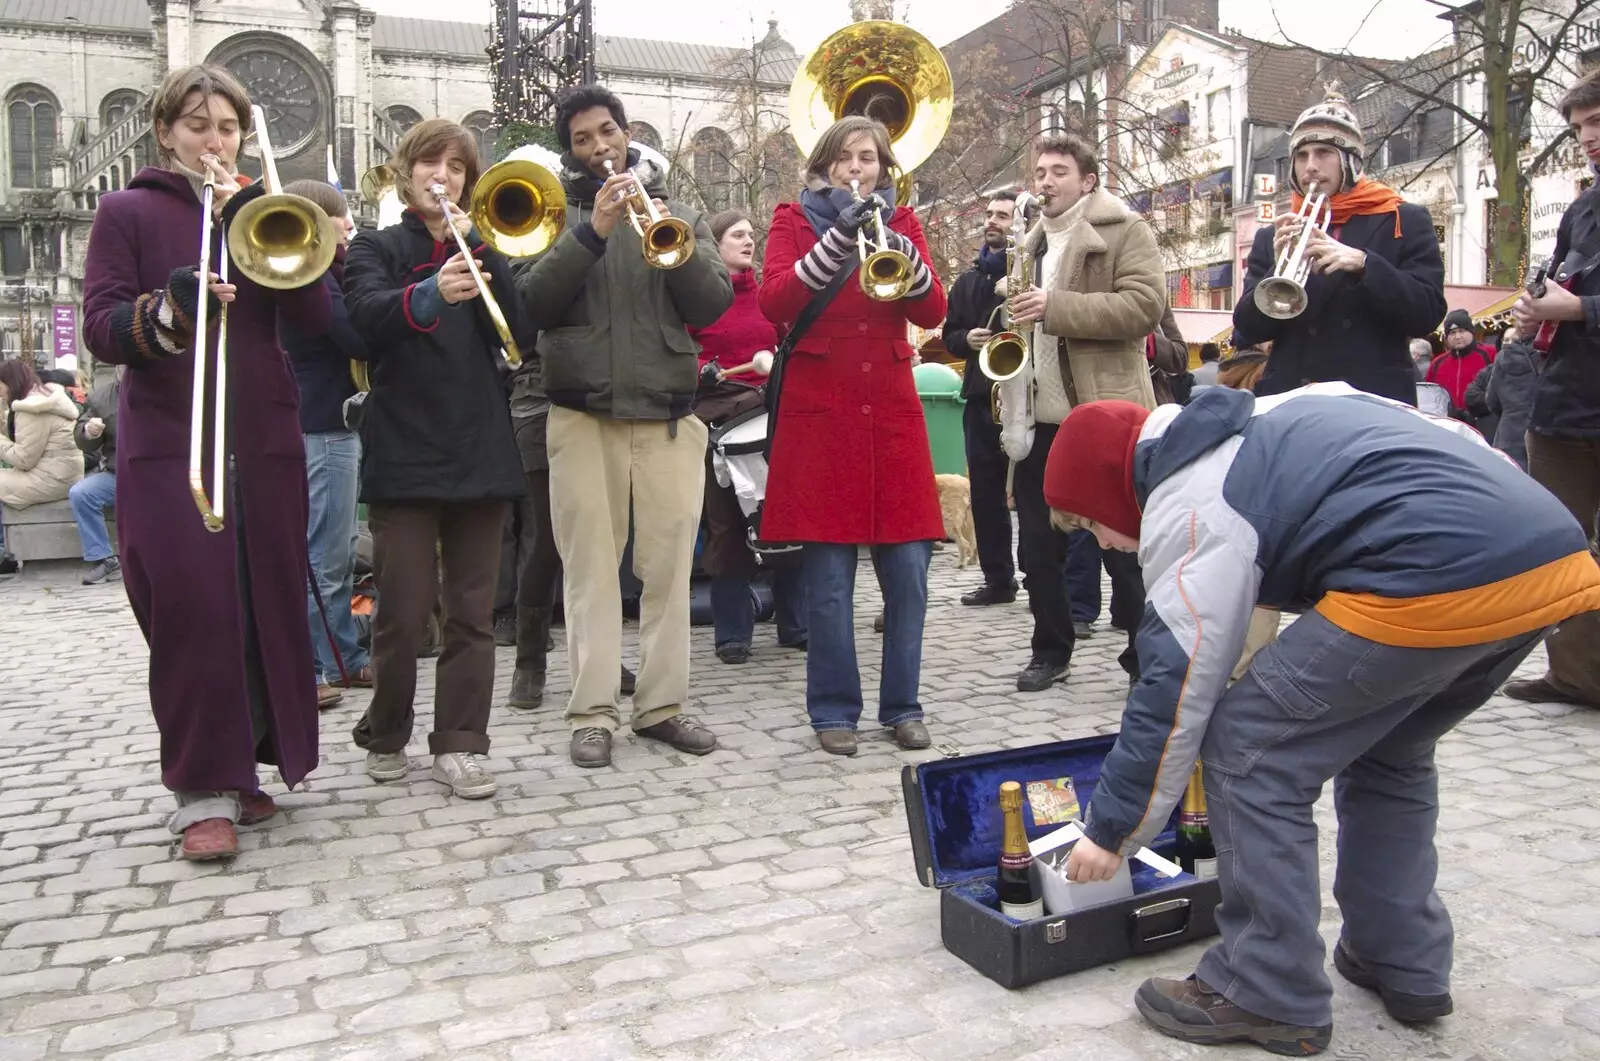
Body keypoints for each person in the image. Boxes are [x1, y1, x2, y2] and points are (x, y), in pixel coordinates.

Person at [1046, 384, 1600, 1056]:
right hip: (1550, 556)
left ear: (1111, 486)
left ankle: (1266, 988)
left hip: (1433, 570)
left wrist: (1112, 830)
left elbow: (1176, 683)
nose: (1105, 542)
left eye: (1088, 522)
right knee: (1391, 749)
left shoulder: (1189, 500)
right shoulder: (1277, 411)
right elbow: (1445, 436)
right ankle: (1400, 958)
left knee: (1247, 750)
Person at [79, 64, 331, 860]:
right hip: (169, 439)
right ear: (166, 132)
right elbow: (100, 324)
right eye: (197, 125)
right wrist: (172, 304)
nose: (213, 140)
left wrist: (281, 227)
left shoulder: (262, 208)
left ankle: (249, 767)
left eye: (226, 127)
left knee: (262, 599)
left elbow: (318, 319)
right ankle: (200, 792)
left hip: (262, 434)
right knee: (193, 609)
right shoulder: (126, 210)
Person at [514, 85, 732, 768]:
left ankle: (661, 707)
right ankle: (593, 711)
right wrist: (593, 233)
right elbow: (531, 304)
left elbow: (713, 303)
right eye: (583, 139)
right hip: (583, 413)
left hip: (667, 412)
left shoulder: (676, 209)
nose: (599, 147)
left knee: (668, 569)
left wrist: (680, 239)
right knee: (589, 572)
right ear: (569, 150)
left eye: (606, 131)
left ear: (625, 131)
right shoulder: (550, 215)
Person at [342, 117, 531, 798]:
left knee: (472, 610)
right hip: (406, 447)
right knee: (402, 608)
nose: (442, 177)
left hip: (477, 444)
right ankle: (386, 729)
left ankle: (460, 741)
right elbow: (361, 316)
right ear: (406, 171)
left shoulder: (483, 244)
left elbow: (520, 334)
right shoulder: (375, 245)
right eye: (431, 163)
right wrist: (427, 291)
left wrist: (486, 250)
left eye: (456, 167)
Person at [758, 114, 946, 756]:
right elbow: (776, 301)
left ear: (884, 167)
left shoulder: (906, 223)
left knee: (910, 574)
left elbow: (931, 310)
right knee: (831, 581)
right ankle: (834, 710)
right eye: (845, 158)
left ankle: (904, 706)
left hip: (889, 413)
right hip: (823, 412)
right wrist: (838, 240)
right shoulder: (791, 219)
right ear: (825, 165)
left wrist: (896, 243)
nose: (857, 168)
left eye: (868, 157)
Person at [1004, 132, 1163, 691]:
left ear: (1088, 181)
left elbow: (1145, 307)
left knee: (1125, 547)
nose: (1044, 182)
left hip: (1103, 414)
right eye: (1040, 172)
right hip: (1037, 419)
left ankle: (1150, 656)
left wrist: (1055, 307)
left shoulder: (1125, 230)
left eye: (1058, 172)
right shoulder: (1027, 245)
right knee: (1038, 549)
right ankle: (1050, 650)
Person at [1234, 85, 1446, 405]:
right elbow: (1246, 332)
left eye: (1323, 153)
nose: (1310, 167)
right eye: (1301, 156)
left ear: (1349, 161)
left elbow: (1427, 313)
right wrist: (1277, 271)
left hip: (1373, 398)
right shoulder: (1275, 234)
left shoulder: (1403, 219)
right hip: (1293, 397)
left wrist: (1365, 265)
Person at [1505, 69, 1600, 711]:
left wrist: (1581, 311)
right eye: (1580, 127)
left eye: (1597, 122)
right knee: (1564, 547)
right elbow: (1558, 282)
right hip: (1564, 402)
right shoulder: (1582, 208)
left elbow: (1580, 303)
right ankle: (1576, 674)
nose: (1588, 138)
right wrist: (1536, 310)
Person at [689, 208, 806, 664]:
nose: (748, 240)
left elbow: (786, 344)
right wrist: (704, 371)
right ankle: (732, 634)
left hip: (771, 417)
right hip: (719, 419)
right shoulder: (698, 300)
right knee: (727, 529)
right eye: (737, 235)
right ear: (714, 245)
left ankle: (795, 625)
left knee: (787, 521)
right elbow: (680, 352)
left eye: (751, 234)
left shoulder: (768, 297)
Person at [280, 179, 373, 710]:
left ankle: (329, 656)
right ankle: (338, 659)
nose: (349, 223)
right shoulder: (317, 275)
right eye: (341, 215)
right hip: (325, 425)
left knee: (323, 549)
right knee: (327, 553)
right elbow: (354, 336)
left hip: (312, 421)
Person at [940, 189, 1021, 607]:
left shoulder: (1030, 272)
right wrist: (965, 339)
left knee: (1029, 491)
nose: (993, 221)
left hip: (1024, 393)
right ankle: (998, 579)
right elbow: (949, 334)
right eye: (990, 214)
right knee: (986, 493)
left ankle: (1041, 575)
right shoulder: (969, 280)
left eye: (1003, 216)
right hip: (979, 394)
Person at [0, 360, 85, 551]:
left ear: (10, 382)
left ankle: (3, 551)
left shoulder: (32, 408)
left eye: (1, 385)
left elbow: (24, 460)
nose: (0, 391)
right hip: (62, 473)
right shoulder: (44, 398)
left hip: (52, 478)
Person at [68, 365, 122, 585]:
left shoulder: (164, 387)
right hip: (119, 473)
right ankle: (104, 559)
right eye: (122, 365)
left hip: (157, 473)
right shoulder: (102, 397)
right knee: (81, 493)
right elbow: (82, 436)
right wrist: (88, 431)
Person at [1483, 329, 1537, 469]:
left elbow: (1491, 400)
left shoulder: (1504, 356)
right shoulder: (1556, 354)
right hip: (1545, 436)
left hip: (1509, 434)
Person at [1425, 309, 1494, 418]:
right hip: (1448, 423)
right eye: (1452, 333)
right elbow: (1429, 395)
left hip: (1483, 421)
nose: (1457, 337)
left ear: (1471, 332)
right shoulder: (1437, 363)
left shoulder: (1490, 355)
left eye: (1461, 331)